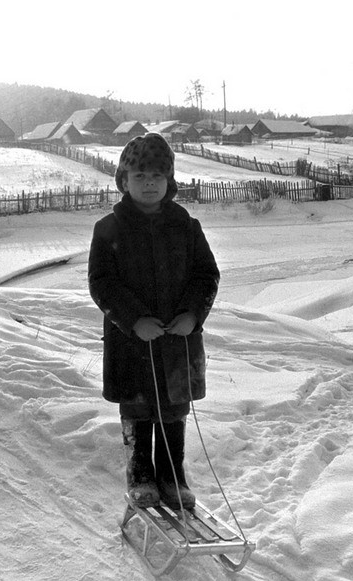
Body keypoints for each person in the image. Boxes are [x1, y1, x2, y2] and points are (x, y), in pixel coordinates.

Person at [88, 133, 219, 511]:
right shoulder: (108, 229)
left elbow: (206, 276)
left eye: (157, 177)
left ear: (170, 181)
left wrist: (192, 315)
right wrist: (134, 320)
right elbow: (102, 283)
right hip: (131, 343)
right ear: (124, 181)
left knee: (174, 409)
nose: (149, 184)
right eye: (141, 176)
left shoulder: (186, 227)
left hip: (178, 342)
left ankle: (172, 474)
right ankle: (141, 473)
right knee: (139, 407)